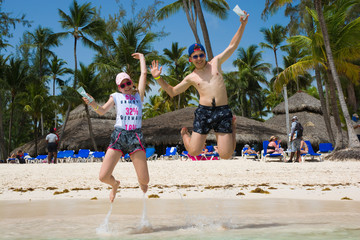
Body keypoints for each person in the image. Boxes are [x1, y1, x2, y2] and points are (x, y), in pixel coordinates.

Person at [150, 11, 249, 159]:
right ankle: (184, 134)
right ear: (190, 59)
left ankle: (232, 126)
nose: (199, 58)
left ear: (205, 55)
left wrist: (242, 25)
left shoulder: (216, 62)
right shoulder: (191, 77)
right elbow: (172, 91)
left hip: (222, 111)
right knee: (194, 152)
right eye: (195, 56)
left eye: (201, 55)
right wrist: (158, 77)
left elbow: (232, 46)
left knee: (226, 154)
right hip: (204, 112)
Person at [82, 53, 149, 203]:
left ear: (132, 83)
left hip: (135, 137)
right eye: (122, 85)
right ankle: (115, 185)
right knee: (103, 176)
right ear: (119, 87)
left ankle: (140, 180)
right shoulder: (116, 97)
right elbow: (101, 110)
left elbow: (144, 73)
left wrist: (142, 58)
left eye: (128, 83)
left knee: (145, 182)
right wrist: (92, 103)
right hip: (119, 135)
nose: (126, 87)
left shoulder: (139, 96)